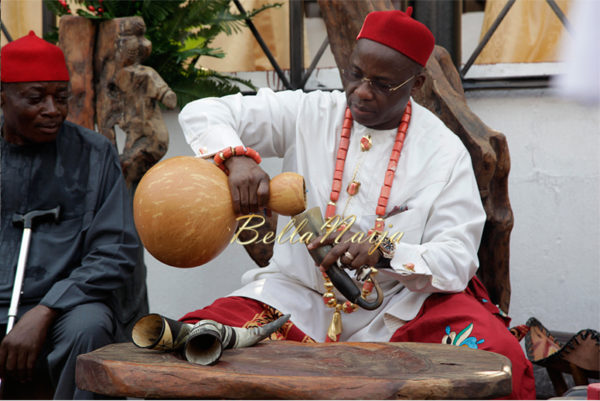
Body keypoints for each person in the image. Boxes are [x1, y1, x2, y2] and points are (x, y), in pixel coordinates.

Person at [178, 9, 535, 399]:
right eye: (355, 74)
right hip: (296, 297)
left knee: (499, 361)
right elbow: (203, 111)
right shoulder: (310, 113)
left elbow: (457, 259)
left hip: (398, 310)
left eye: (382, 83)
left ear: (415, 84)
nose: (362, 91)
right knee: (190, 344)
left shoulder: (443, 152)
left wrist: (386, 252)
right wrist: (236, 156)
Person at [0, 31, 141, 399]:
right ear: (3, 98)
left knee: (89, 326)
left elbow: (116, 250)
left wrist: (46, 308)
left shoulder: (95, 154)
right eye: (36, 98)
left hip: (70, 303)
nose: (53, 110)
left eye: (61, 97)